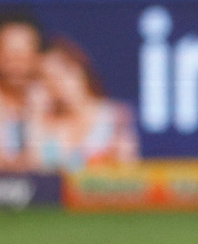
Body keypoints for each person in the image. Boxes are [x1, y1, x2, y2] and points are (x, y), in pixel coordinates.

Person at [23, 38, 139, 172]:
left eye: (63, 72)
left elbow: (128, 173)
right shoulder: (42, 123)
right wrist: (35, 116)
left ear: (80, 69)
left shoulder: (114, 116)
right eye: (47, 78)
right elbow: (33, 174)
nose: (58, 83)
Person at [0, 14, 45, 171]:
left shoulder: (52, 103)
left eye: (22, 54)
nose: (16, 63)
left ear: (37, 56)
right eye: (9, 54)